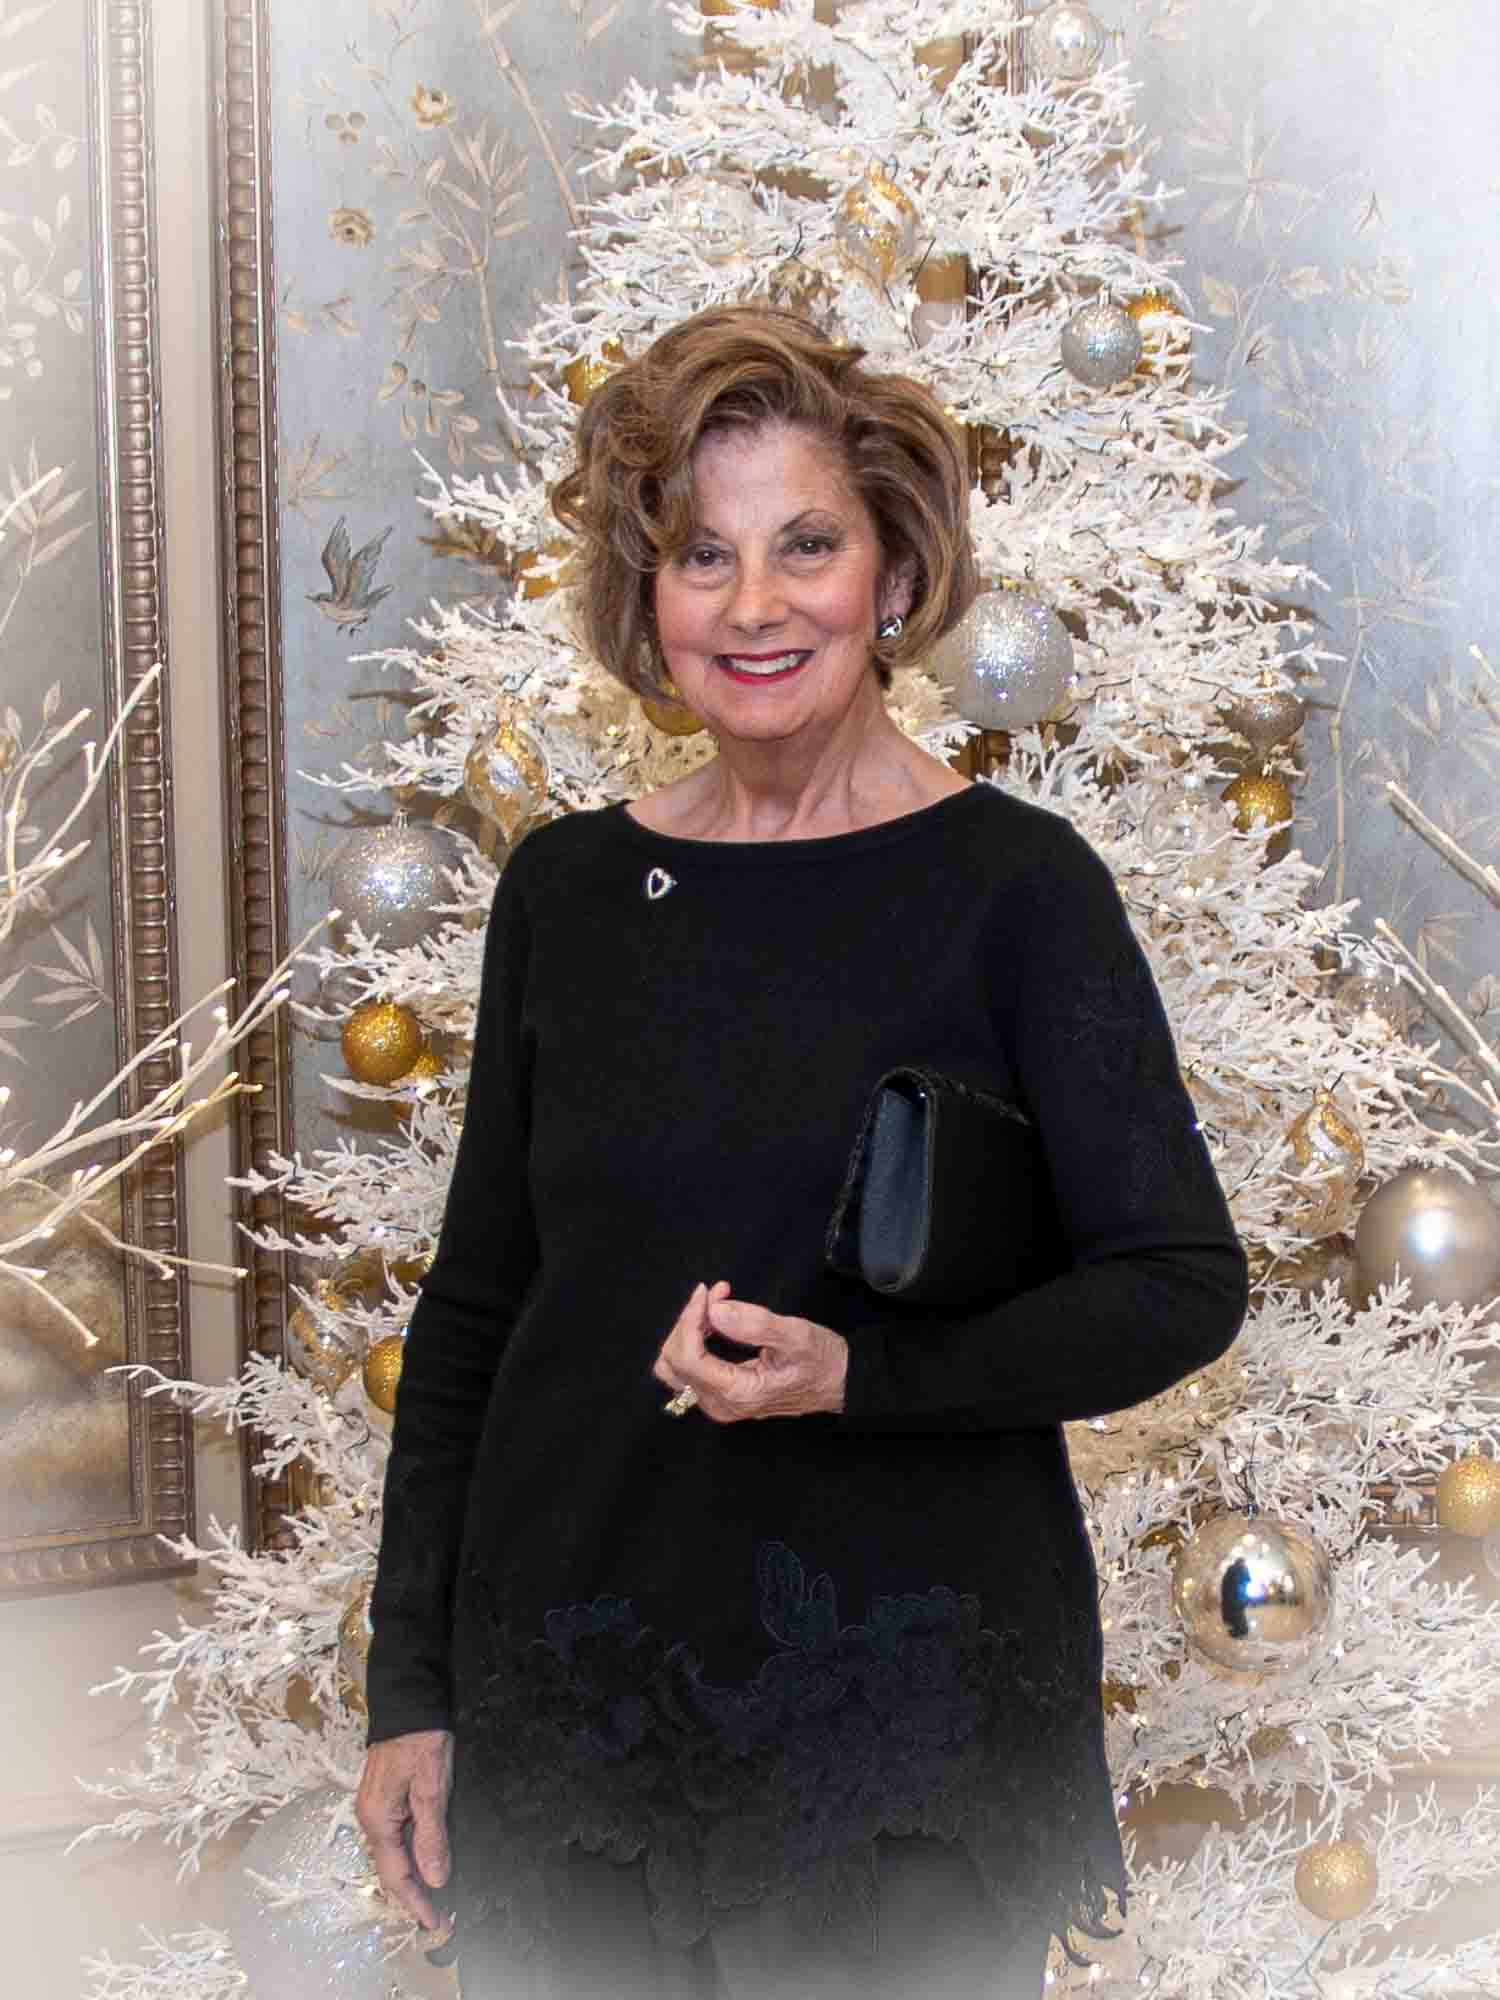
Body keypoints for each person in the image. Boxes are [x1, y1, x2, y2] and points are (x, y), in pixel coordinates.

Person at [355, 304, 1249, 2000]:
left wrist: (866, 1373)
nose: (755, 606)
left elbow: (1179, 1286)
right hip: (574, 1700)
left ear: (896, 572)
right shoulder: (567, 893)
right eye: (702, 555)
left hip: (898, 1720)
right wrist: (414, 1694)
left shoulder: (1018, 888)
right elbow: (478, 1315)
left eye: (807, 544)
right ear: (648, 604)